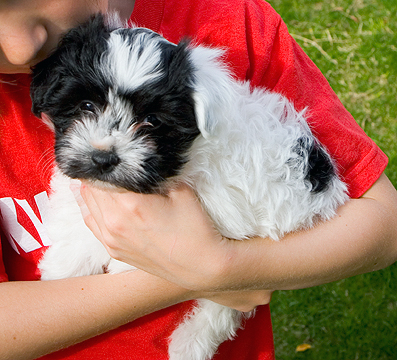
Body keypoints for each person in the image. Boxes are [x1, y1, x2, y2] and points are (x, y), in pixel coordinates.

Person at [0, 1, 396, 360]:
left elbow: (385, 226)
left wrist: (223, 268)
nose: (21, 47)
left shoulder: (230, 25)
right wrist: (206, 273)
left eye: (148, 123)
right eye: (87, 108)